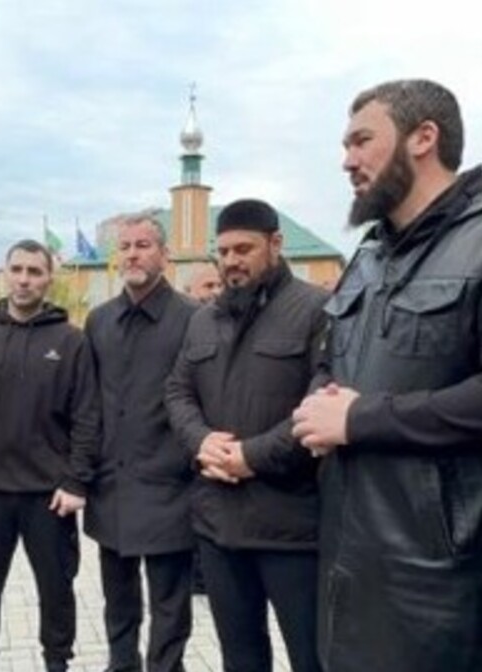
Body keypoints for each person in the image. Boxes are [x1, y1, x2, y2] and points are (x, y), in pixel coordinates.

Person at [291, 79, 482, 672]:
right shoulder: (368, 255)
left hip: (452, 590)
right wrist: (322, 402)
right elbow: (330, 359)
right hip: (351, 567)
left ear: (424, 137)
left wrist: (360, 418)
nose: (347, 160)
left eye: (362, 140)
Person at [165, 199, 327, 672]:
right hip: (219, 528)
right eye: (224, 250)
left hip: (292, 529)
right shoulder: (204, 318)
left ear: (275, 244)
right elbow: (177, 391)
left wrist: (251, 456)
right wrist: (201, 441)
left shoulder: (317, 311)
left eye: (244, 248)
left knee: (312, 657)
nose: (232, 260)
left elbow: (320, 404)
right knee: (240, 659)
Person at [0, 239, 100, 672]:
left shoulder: (72, 341)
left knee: (57, 589)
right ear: (5, 273)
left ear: (48, 278)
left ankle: (58, 662)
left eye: (34, 272)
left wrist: (76, 481)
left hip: (49, 493)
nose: (24, 279)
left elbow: (87, 415)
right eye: (17, 269)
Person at [84, 214, 198, 672]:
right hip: (111, 484)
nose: (132, 253)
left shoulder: (193, 318)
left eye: (143, 245)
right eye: (125, 246)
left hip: (171, 484)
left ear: (164, 256)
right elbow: (87, 401)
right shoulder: (99, 321)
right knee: (119, 599)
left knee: (170, 605)